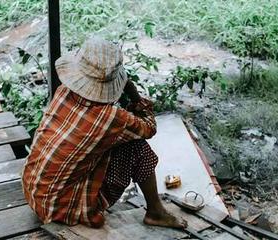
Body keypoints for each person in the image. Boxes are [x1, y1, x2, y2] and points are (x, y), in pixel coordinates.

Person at [21, 36, 187, 229]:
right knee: (137, 148)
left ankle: (155, 211)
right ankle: (155, 211)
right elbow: (149, 128)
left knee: (115, 144)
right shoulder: (111, 117)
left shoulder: (64, 91)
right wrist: (132, 92)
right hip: (61, 208)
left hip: (35, 191)